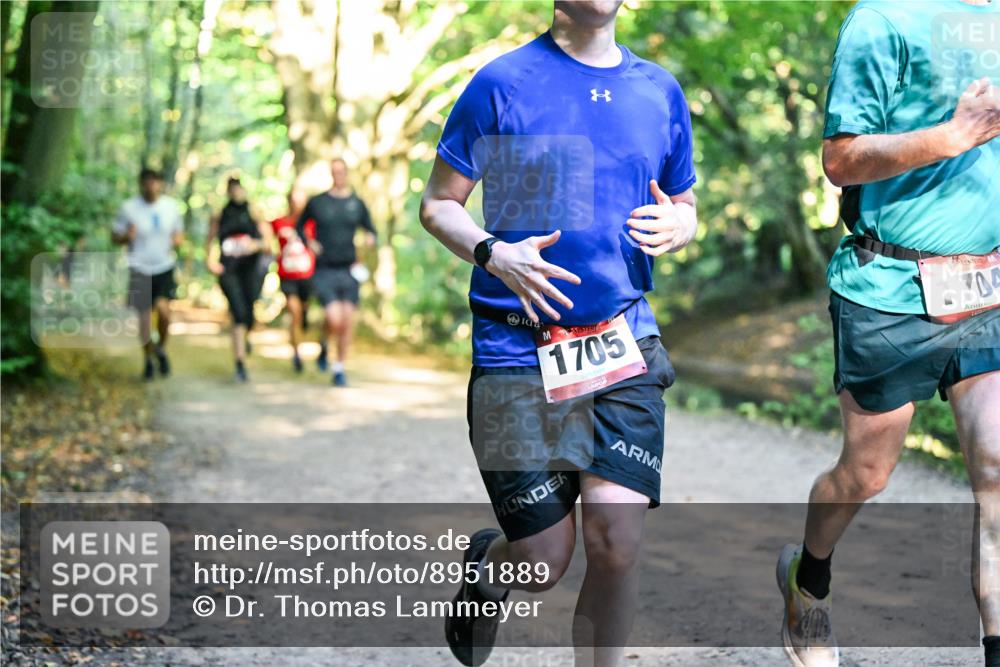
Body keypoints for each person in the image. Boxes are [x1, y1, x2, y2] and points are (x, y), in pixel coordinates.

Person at [420, 1, 697, 664]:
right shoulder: (502, 83)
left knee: (616, 543)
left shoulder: (658, 90)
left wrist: (685, 225)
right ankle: (491, 565)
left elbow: (682, 200)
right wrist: (492, 251)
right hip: (516, 350)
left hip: (622, 343)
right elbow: (437, 204)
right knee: (543, 561)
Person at [776, 2, 1000, 666]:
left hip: (987, 284)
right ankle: (808, 578)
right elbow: (841, 160)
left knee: (996, 466)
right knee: (866, 473)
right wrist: (952, 136)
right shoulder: (881, 18)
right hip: (890, 285)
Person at [296, 158, 376, 386]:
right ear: (331, 174)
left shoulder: (356, 203)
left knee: (347, 320)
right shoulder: (318, 202)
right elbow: (299, 227)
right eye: (335, 172)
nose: (338, 175)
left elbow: (371, 230)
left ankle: (339, 367)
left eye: (342, 171)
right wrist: (309, 243)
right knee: (334, 318)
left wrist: (370, 238)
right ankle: (323, 341)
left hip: (349, 269)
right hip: (324, 269)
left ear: (347, 173)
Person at [112, 167, 184, 381]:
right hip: (139, 267)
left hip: (164, 267)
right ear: (141, 184)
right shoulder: (129, 208)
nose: (151, 185)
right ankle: (147, 359)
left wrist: (178, 240)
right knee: (143, 318)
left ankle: (161, 348)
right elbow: (114, 237)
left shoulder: (171, 207)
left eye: (155, 181)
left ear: (161, 183)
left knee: (164, 311)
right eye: (147, 181)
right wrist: (126, 236)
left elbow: (179, 234)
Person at [206, 177, 272, 382]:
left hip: (251, 269)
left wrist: (255, 245)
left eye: (238, 187)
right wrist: (210, 262)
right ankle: (240, 362)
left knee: (248, 312)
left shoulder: (254, 212)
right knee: (238, 311)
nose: (235, 192)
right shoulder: (220, 214)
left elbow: (269, 243)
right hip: (229, 270)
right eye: (231, 188)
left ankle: (245, 335)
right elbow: (209, 240)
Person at [271, 188, 315, 373]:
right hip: (287, 276)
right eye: (294, 200)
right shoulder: (279, 223)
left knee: (302, 313)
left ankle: (303, 328)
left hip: (307, 276)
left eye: (301, 200)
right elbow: (264, 234)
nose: (297, 203)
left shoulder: (312, 224)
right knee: (294, 312)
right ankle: (296, 354)